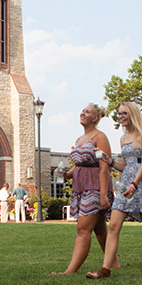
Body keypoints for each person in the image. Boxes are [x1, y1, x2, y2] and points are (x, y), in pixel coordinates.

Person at [86, 102, 142, 279]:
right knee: (113, 226)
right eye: (119, 114)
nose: (120, 117)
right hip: (126, 183)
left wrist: (134, 185)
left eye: (123, 114)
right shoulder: (122, 139)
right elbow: (125, 166)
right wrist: (110, 161)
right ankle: (105, 269)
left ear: (132, 114)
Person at [52, 103, 117, 275]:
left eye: (87, 112)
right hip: (81, 188)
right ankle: (115, 264)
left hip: (95, 188)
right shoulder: (79, 139)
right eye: (82, 110)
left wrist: (103, 195)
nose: (82, 113)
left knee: (82, 229)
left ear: (95, 118)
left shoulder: (100, 137)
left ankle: (69, 271)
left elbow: (104, 167)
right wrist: (67, 175)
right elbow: (80, 165)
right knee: (100, 229)